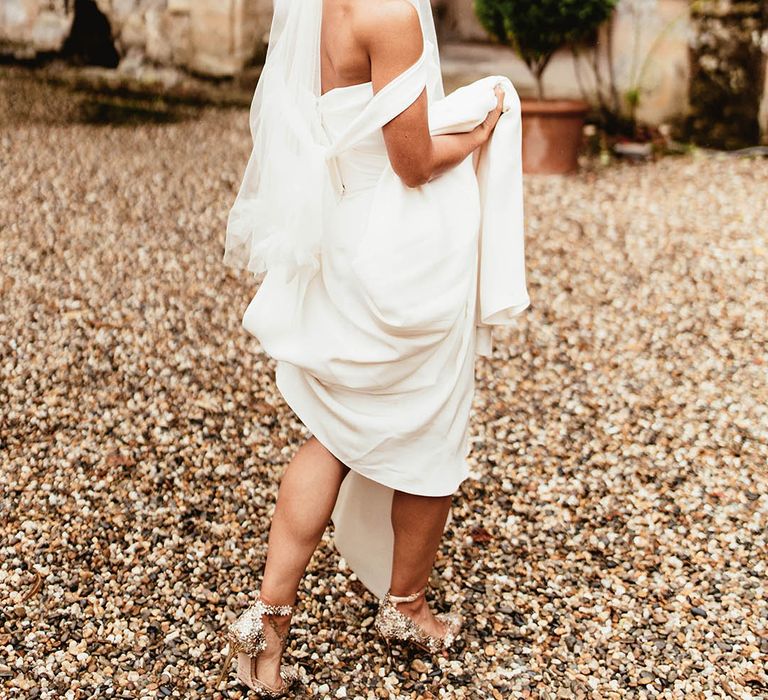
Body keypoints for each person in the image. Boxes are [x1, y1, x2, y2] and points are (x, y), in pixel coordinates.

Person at [218, 0, 527, 695]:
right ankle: (406, 607)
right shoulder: (391, 13)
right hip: (404, 259)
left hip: (347, 243)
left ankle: (265, 626)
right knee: (432, 431)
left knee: (329, 434)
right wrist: (482, 129)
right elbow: (413, 161)